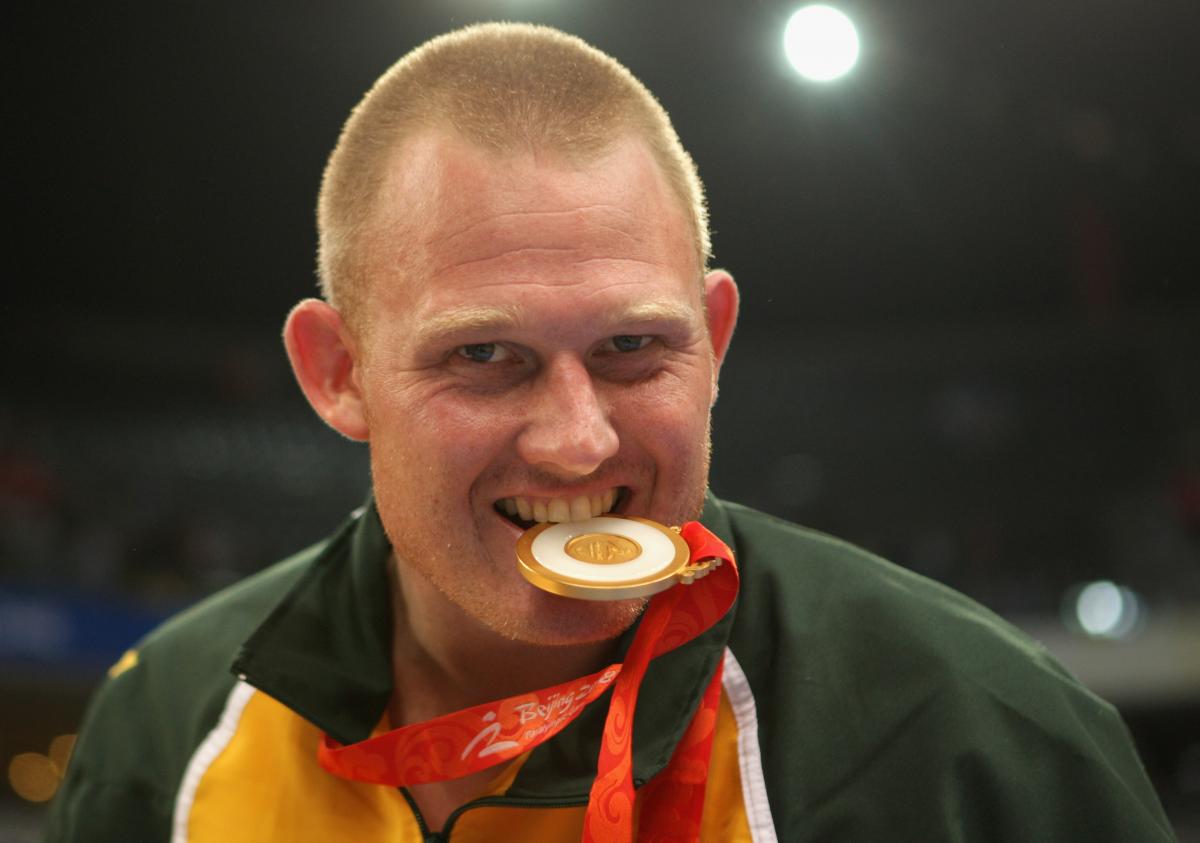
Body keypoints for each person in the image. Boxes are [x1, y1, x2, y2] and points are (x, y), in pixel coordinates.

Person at [48, 22, 1177, 843]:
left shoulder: (984, 754)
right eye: (485, 357)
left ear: (716, 340)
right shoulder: (166, 729)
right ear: (337, 373)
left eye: (636, 350)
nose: (578, 443)